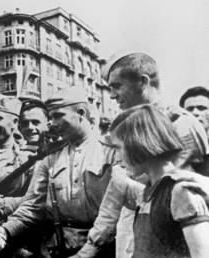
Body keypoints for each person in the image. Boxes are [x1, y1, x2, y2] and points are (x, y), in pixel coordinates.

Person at [77, 53, 209, 258]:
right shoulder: (126, 127)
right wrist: (91, 246)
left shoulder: (182, 124)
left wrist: (122, 182)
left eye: (117, 86)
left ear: (143, 82)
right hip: (133, 238)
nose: (111, 95)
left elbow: (191, 196)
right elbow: (116, 196)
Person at [0, 87, 116, 257]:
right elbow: (31, 207)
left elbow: (117, 211)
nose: (52, 124)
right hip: (58, 249)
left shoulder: (110, 152)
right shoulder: (50, 158)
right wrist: (2, 232)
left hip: (104, 249)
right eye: (50, 117)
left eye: (57, 116)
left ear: (81, 113)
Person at [110, 104, 209, 257]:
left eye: (118, 148)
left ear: (138, 144)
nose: (117, 157)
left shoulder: (180, 191)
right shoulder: (150, 191)